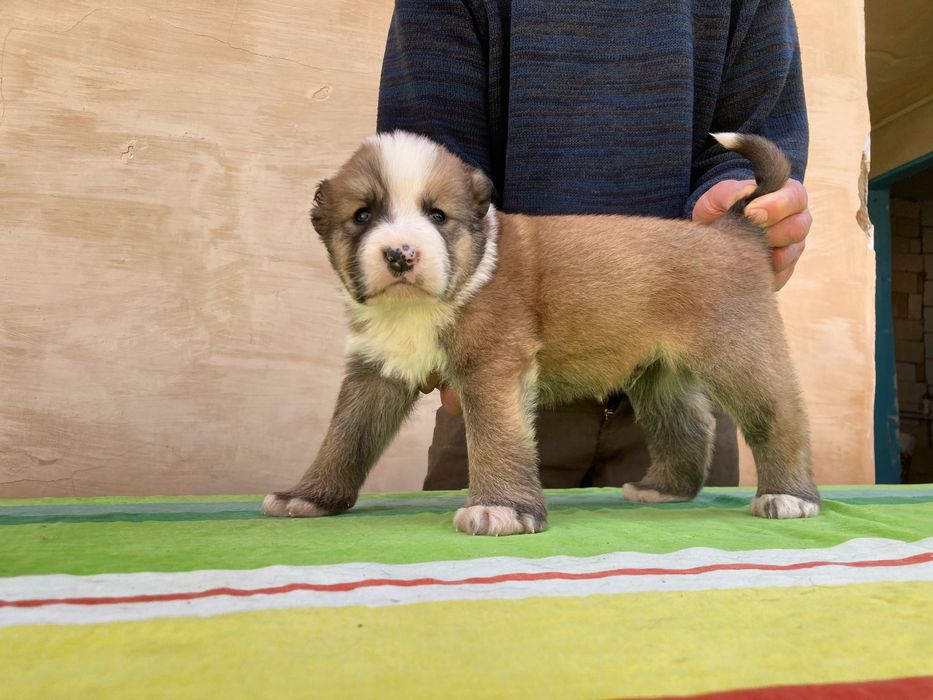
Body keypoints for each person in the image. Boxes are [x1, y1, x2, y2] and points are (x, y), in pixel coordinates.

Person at [375, 0, 812, 490]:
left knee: (696, 529)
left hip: (686, 359)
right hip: (504, 383)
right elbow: (428, 171)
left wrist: (737, 202)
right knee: (488, 533)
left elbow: (754, 130)